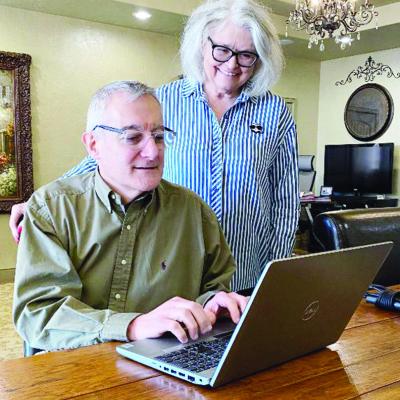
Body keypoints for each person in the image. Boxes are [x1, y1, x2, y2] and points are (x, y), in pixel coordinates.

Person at [10, 0, 299, 293]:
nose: (232, 64)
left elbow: (285, 203)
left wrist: (276, 273)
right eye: (222, 50)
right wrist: (41, 201)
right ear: (202, 44)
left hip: (246, 270)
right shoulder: (165, 100)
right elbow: (107, 156)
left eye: (247, 55)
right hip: (173, 268)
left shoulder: (275, 113)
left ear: (260, 58)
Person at [13, 81, 247, 352]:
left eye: (159, 136)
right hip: (73, 372)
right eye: (133, 137)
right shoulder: (51, 210)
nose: (153, 151)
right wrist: (133, 326)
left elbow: (213, 285)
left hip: (163, 372)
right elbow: (39, 314)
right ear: (93, 144)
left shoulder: (194, 212)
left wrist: (212, 302)